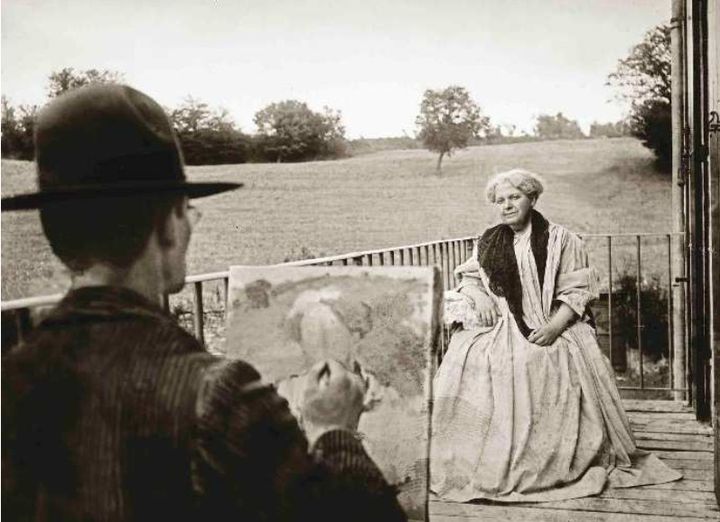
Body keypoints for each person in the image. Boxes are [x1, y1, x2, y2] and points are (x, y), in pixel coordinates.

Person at [1, 84, 406, 521]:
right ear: (169, 225)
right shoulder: (219, 396)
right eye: (187, 212)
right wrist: (333, 432)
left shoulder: (12, 376)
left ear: (56, 234)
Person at [431, 168, 681, 503]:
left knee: (534, 360)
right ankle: (483, 456)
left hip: (552, 324)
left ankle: (542, 458)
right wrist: (476, 295)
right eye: (500, 200)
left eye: (514, 198)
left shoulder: (562, 240)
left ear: (532, 199)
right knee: (469, 354)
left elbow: (576, 293)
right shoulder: (488, 242)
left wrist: (552, 327)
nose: (506, 206)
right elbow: (471, 277)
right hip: (503, 326)